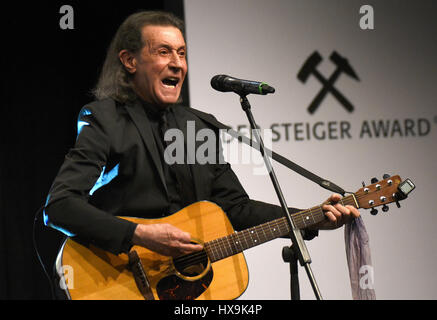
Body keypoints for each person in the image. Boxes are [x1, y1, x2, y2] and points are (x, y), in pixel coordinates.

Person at [43, 10, 360, 296]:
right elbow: (59, 206)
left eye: (181, 53)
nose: (177, 63)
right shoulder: (105, 120)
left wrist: (310, 219)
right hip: (117, 282)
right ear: (129, 61)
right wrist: (139, 235)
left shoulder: (198, 127)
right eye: (163, 52)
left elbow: (235, 207)